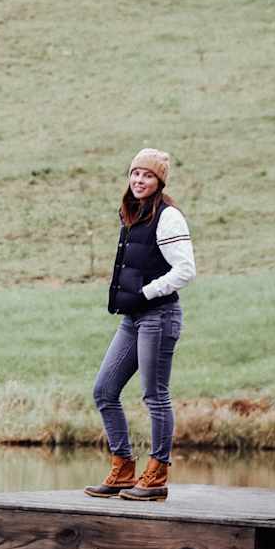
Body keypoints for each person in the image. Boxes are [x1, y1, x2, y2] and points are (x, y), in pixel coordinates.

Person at [86, 148, 195, 501]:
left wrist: (147, 293)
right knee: (104, 391)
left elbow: (185, 270)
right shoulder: (131, 214)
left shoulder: (168, 217)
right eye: (135, 173)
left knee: (155, 396)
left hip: (159, 317)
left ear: (159, 181)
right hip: (133, 319)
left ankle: (157, 473)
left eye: (147, 175)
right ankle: (123, 468)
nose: (138, 180)